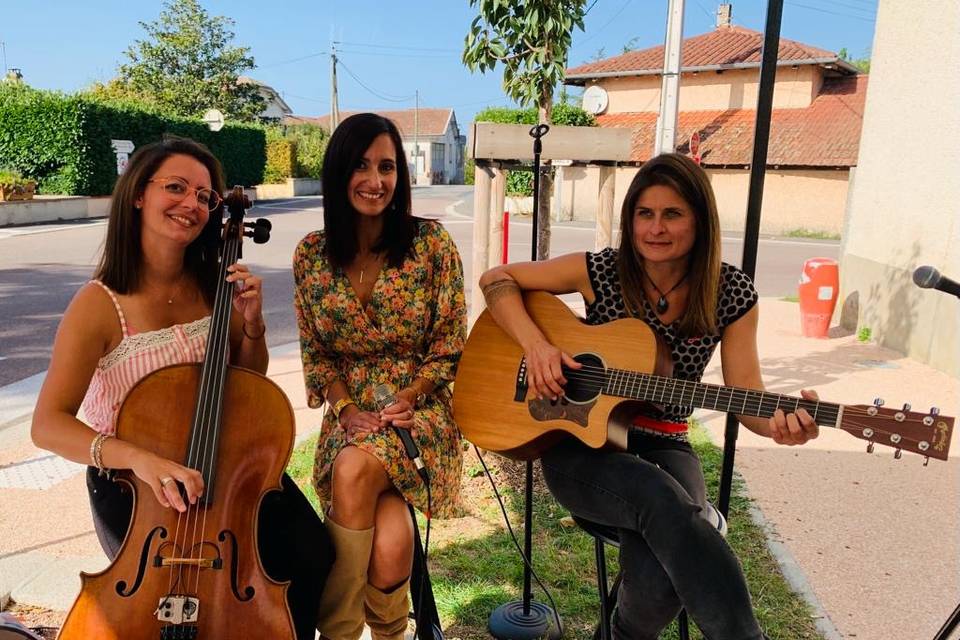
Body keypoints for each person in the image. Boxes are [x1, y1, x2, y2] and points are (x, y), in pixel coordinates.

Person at [478, 153, 820, 640]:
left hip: (665, 444)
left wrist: (780, 426)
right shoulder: (599, 271)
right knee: (666, 501)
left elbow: (747, 397)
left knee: (662, 563)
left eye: (672, 214)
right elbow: (497, 279)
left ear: (699, 221)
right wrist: (537, 348)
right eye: (645, 214)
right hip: (581, 448)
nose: (656, 228)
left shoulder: (731, 293)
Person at [31, 136, 333, 640]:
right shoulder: (99, 304)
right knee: (168, 604)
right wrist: (142, 460)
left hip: (224, 466)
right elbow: (48, 425)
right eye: (176, 187)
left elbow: (247, 385)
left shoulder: (213, 285)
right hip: (136, 485)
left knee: (311, 557)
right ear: (138, 195)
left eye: (204, 196)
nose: (192, 204)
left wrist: (253, 326)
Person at [294, 113, 467, 640]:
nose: (376, 180)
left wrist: (409, 395)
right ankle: (392, 634)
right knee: (391, 545)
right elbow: (318, 355)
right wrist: (346, 409)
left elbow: (451, 349)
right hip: (351, 418)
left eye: (387, 166)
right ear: (339, 173)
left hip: (420, 415)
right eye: (362, 165)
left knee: (352, 473)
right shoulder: (311, 255)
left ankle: (336, 633)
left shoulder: (431, 246)